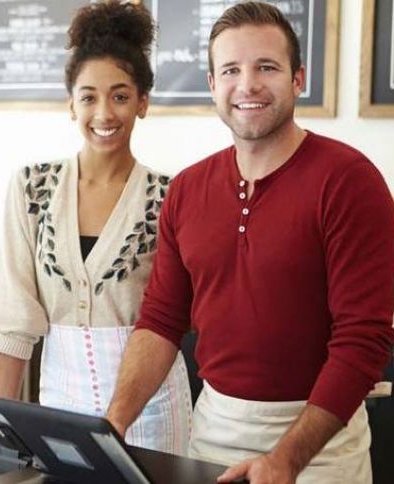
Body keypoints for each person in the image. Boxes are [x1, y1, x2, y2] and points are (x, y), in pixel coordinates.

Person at [106, 2, 394, 483]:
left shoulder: (349, 181)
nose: (248, 85)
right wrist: (114, 422)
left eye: (267, 67)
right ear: (212, 84)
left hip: (320, 450)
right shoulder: (187, 189)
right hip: (212, 434)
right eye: (231, 70)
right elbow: (161, 320)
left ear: (298, 79)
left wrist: (286, 460)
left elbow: (364, 340)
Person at [0, 0, 192, 455]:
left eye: (120, 96)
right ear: (71, 104)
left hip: (152, 411)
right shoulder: (32, 187)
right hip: (61, 405)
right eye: (89, 96)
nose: (104, 113)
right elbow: (16, 316)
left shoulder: (171, 195)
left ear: (143, 103)